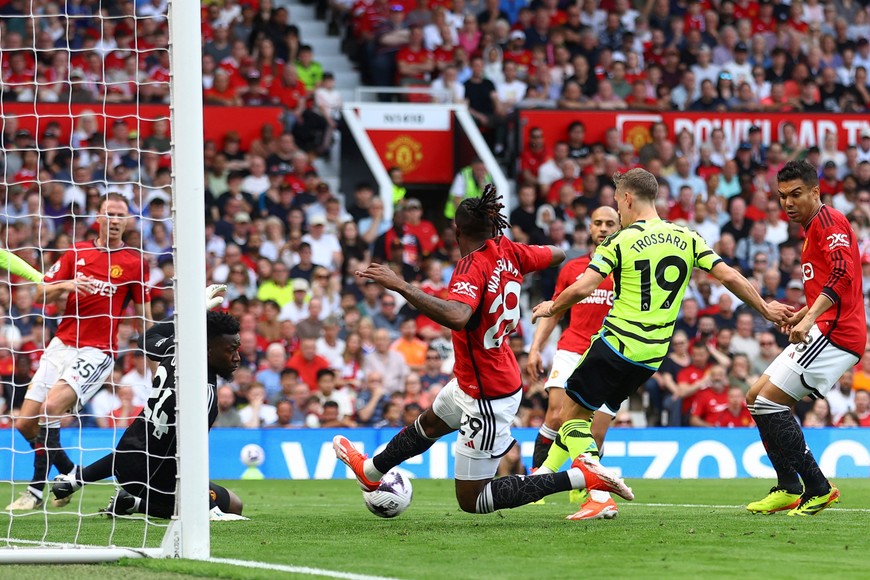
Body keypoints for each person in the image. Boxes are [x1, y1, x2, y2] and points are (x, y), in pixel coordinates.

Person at [334, 185, 634, 515]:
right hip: (476, 376)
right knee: (430, 424)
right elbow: (557, 254)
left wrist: (402, 285)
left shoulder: (471, 267)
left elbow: (458, 316)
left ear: (456, 230)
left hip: (487, 392)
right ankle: (371, 471)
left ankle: (581, 476)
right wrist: (517, 253)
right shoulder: (511, 250)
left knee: (473, 500)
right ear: (494, 226)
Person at [531, 168, 791, 511]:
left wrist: (552, 306)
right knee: (584, 416)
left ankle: (596, 480)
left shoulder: (620, 241)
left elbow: (584, 286)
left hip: (616, 344)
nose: (617, 212)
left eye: (617, 204)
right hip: (651, 358)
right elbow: (728, 275)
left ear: (627, 198)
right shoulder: (687, 236)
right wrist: (765, 308)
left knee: (570, 418)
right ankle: (583, 491)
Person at [7, 193, 153, 511]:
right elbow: (41, 289)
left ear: (127, 221)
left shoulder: (135, 262)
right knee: (24, 424)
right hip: (61, 344)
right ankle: (70, 473)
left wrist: (156, 355)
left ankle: (35, 491)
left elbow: (145, 316)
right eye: (109, 214)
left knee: (50, 409)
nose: (115, 220)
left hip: (97, 351)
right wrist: (67, 284)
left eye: (121, 215)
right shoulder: (78, 251)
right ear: (97, 218)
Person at [52, 288, 246, 520]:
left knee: (231, 501)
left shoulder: (175, 349)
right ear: (207, 350)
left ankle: (115, 496)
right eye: (231, 350)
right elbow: (188, 457)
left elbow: (147, 339)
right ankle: (136, 503)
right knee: (233, 505)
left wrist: (189, 317)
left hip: (128, 458)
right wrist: (208, 509)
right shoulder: (202, 395)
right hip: (155, 477)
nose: (237, 357)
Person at [745, 161, 867, 516]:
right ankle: (788, 486)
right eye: (783, 196)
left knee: (770, 403)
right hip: (823, 325)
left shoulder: (828, 222)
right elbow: (834, 281)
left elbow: (844, 273)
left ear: (816, 192)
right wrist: (802, 312)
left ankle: (819, 488)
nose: (788, 202)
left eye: (796, 194)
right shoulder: (812, 227)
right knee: (755, 398)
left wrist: (810, 317)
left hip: (836, 333)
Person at [527, 206, 621, 520]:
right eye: (598, 222)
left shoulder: (628, 269)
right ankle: (538, 477)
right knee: (557, 414)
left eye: (610, 223)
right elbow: (555, 309)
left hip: (609, 352)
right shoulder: (574, 268)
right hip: (571, 348)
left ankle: (583, 486)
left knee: (595, 433)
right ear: (589, 228)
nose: (604, 228)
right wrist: (535, 348)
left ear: (620, 226)